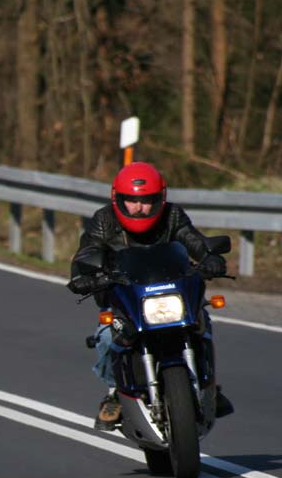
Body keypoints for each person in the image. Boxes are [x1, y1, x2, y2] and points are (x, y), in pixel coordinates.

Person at [66, 161, 232, 430]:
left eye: (147, 200)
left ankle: (208, 384)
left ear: (160, 199)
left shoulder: (173, 216)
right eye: (131, 200)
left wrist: (209, 257)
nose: (139, 207)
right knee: (108, 336)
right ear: (117, 198)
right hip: (126, 297)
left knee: (202, 321)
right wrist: (82, 275)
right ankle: (114, 394)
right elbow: (87, 251)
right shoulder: (104, 220)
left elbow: (192, 239)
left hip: (170, 292)